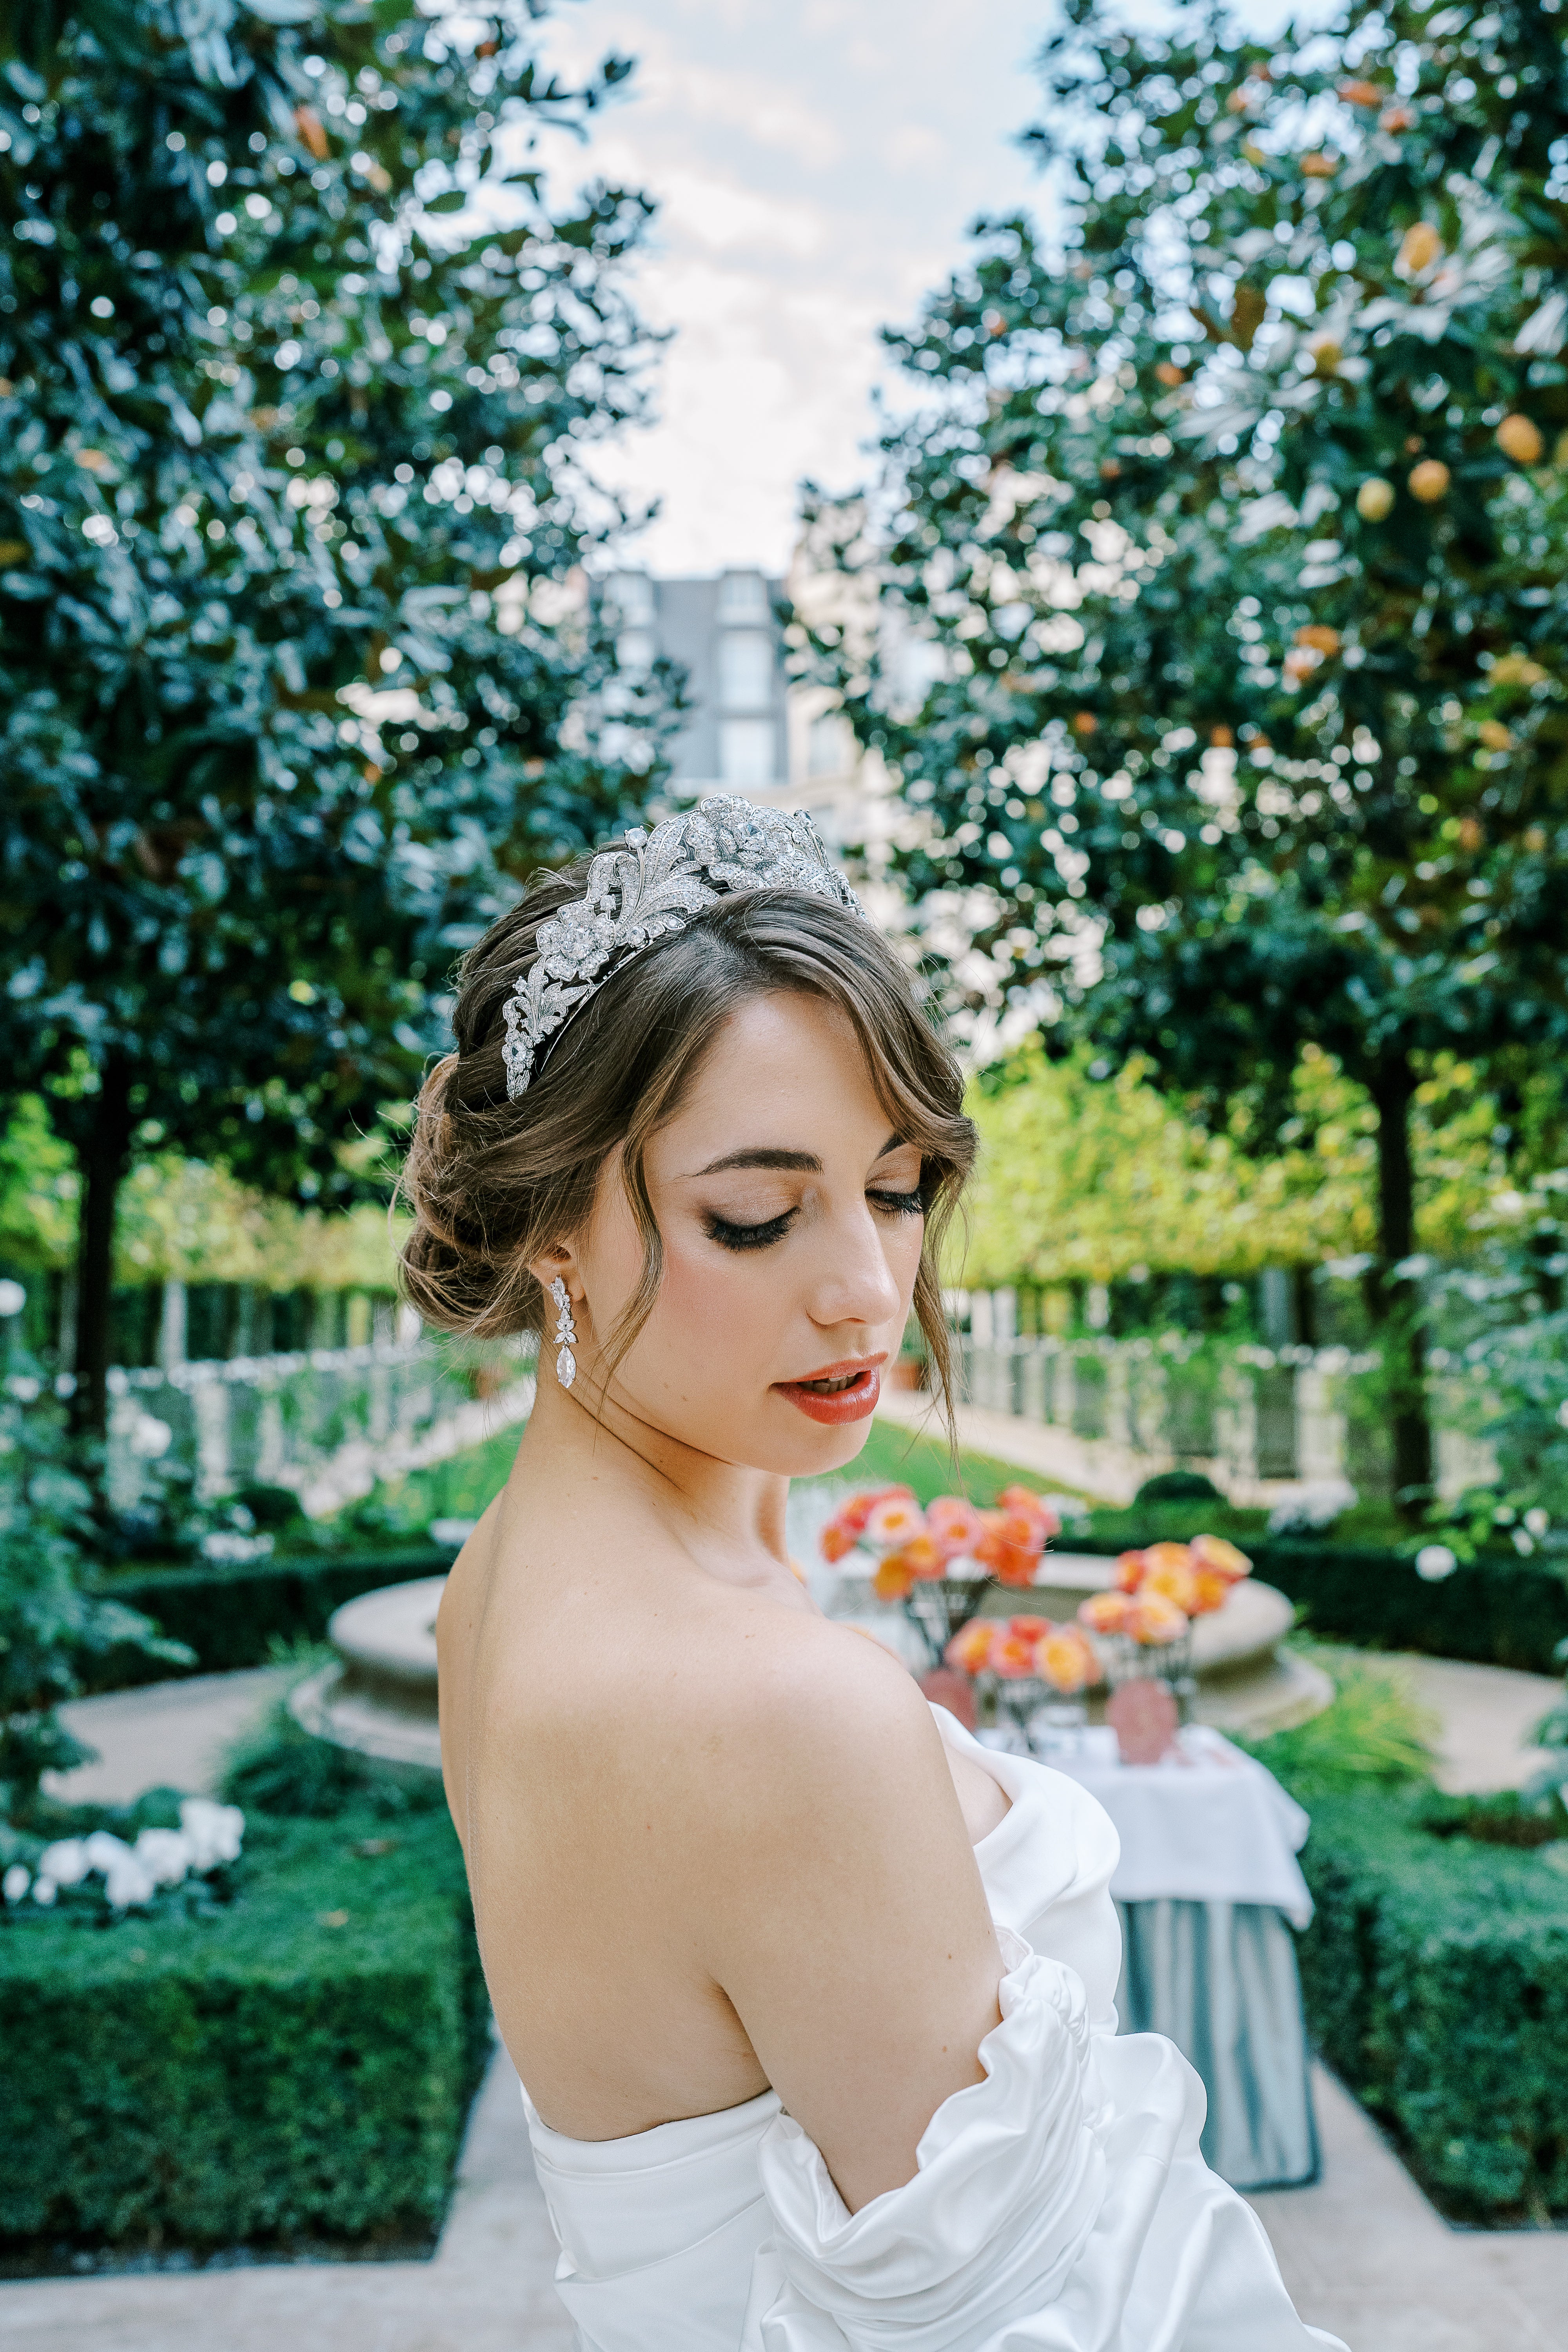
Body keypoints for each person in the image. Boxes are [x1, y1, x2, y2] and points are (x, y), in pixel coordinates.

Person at [406, 799, 1345, 2352]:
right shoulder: (778, 1708)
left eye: (897, 1189)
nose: (866, 1290)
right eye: (757, 1217)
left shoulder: (498, 1585)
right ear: (549, 1227)